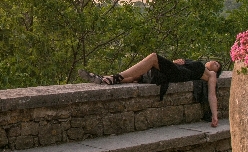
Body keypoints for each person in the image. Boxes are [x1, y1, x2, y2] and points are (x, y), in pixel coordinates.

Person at [80, 54, 222, 127]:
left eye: (218, 65)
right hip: (177, 70)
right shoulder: (194, 62)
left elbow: (212, 95)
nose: (216, 63)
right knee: (140, 75)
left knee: (153, 57)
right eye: (216, 61)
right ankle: (106, 78)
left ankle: (115, 77)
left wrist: (215, 116)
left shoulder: (211, 75)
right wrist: (178, 62)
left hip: (180, 74)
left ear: (217, 71)